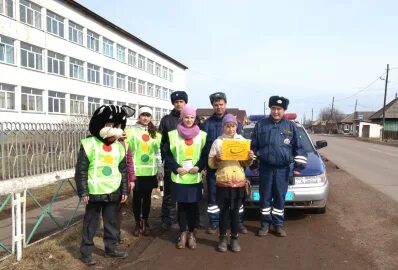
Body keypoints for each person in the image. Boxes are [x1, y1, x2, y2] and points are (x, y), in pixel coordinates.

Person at [75, 104, 135, 266]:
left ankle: (111, 248)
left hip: (113, 190)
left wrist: (124, 190)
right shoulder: (89, 144)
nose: (112, 129)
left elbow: (123, 170)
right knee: (90, 224)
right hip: (93, 193)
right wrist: (83, 191)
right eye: (108, 125)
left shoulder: (119, 146)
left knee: (111, 222)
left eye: (115, 126)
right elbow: (81, 170)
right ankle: (86, 252)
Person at [251, 96, 307, 237]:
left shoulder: (291, 126)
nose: (276, 111)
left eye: (279, 109)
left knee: (280, 198)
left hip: (283, 169)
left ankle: (278, 225)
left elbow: (299, 148)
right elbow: (252, 147)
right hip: (265, 169)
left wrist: (298, 167)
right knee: (264, 198)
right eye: (274, 108)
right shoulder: (260, 125)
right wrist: (253, 164)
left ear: (284, 110)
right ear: (270, 109)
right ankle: (264, 225)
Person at [201, 92, 247, 234]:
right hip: (213, 166)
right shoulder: (206, 124)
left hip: (232, 167)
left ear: (225, 104)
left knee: (236, 199)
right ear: (212, 106)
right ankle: (214, 223)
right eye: (216, 105)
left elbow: (240, 143)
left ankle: (238, 222)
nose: (219, 107)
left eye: (221, 104)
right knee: (213, 198)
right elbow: (203, 148)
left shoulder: (234, 122)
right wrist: (204, 165)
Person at [208, 114, 254, 252]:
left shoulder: (242, 141)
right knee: (223, 213)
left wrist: (249, 158)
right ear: (223, 127)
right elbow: (210, 164)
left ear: (236, 126)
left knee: (235, 212)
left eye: (233, 126)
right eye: (227, 126)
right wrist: (217, 158)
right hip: (223, 181)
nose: (230, 129)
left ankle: (234, 238)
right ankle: (222, 238)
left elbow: (245, 163)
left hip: (238, 182)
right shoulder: (218, 142)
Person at [164, 105, 207, 249]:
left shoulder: (202, 135)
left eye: (192, 117)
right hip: (179, 177)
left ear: (195, 119)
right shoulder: (172, 134)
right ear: (182, 118)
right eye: (186, 117)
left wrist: (199, 167)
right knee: (181, 207)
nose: (189, 120)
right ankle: (182, 233)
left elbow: (205, 155)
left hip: (194, 177)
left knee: (193, 207)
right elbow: (167, 154)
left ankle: (191, 233)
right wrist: (176, 167)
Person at [125, 106, 162, 237]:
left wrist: (160, 169)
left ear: (151, 118)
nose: (146, 118)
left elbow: (158, 153)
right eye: (143, 115)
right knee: (136, 199)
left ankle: (145, 222)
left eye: (148, 115)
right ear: (139, 117)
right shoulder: (130, 132)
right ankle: (137, 223)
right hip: (136, 172)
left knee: (147, 198)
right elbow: (126, 151)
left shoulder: (155, 134)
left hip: (150, 172)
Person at [159, 91, 188, 230]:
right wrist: (165, 158)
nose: (179, 104)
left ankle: (189, 219)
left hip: (189, 161)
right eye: (176, 102)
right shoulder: (166, 120)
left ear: (185, 103)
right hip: (171, 161)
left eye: (181, 101)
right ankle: (167, 219)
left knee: (188, 191)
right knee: (169, 192)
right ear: (173, 104)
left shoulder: (192, 118)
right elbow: (161, 141)